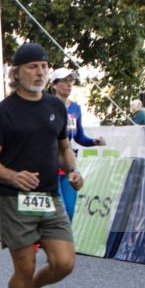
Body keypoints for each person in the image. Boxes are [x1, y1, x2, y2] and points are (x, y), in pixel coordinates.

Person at [0, 43, 81, 288]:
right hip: (14, 199)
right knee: (24, 266)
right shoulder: (4, 111)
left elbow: (63, 148)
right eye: (32, 67)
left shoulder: (55, 107)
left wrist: (73, 171)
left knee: (64, 263)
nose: (39, 72)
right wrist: (12, 176)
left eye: (43, 66)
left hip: (49, 196)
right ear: (17, 72)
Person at [50, 68, 104, 220]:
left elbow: (79, 137)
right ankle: (48, 241)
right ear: (54, 85)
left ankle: (61, 242)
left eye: (71, 81)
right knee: (57, 211)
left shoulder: (75, 108)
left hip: (69, 166)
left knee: (69, 210)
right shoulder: (45, 106)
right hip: (49, 166)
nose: (69, 85)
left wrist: (94, 141)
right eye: (65, 81)